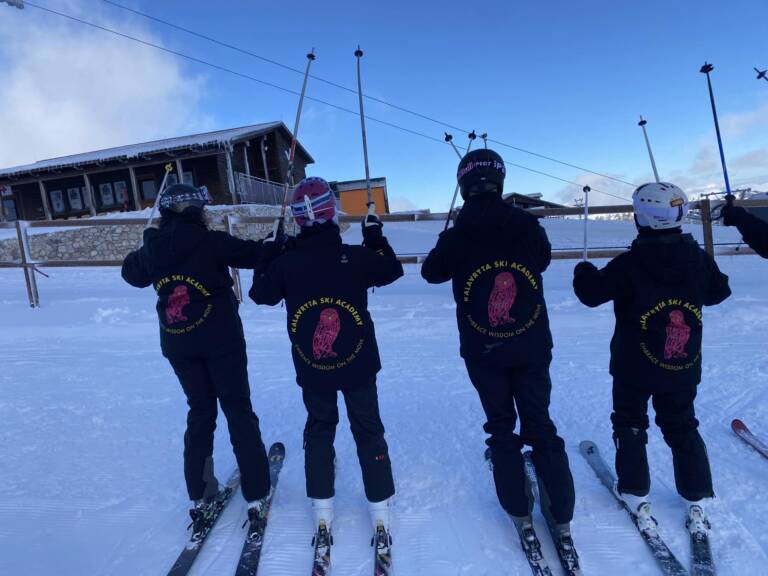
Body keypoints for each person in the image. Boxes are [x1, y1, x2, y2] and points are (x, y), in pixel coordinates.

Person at [421, 149, 576, 552]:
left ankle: (519, 509)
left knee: (501, 426)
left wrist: (448, 238)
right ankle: (561, 515)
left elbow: (431, 272)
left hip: (483, 347)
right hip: (531, 342)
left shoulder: (457, 234)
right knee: (540, 422)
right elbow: (542, 260)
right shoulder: (526, 224)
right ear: (500, 180)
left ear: (463, 185)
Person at [249, 177, 402, 543]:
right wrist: (374, 237)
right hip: (359, 363)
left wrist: (269, 253)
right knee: (367, 428)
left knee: (320, 427)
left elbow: (260, 293)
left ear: (298, 220)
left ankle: (322, 505)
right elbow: (391, 269)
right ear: (332, 212)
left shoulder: (286, 264)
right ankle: (379, 505)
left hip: (313, 367)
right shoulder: (356, 257)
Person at [573, 182, 731, 534]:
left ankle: (634, 490)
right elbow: (719, 291)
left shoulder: (630, 264)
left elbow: (590, 294)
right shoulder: (696, 258)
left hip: (634, 366)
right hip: (681, 366)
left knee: (630, 422)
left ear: (642, 218)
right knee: (682, 424)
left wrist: (583, 273)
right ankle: (696, 493)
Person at [121, 183, 272, 539]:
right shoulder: (210, 241)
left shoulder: (154, 247)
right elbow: (253, 255)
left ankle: (200, 494)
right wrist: (272, 243)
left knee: (201, 411)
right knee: (237, 408)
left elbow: (132, 274)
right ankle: (257, 493)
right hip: (221, 341)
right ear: (197, 210)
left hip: (179, 343)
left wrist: (145, 246)